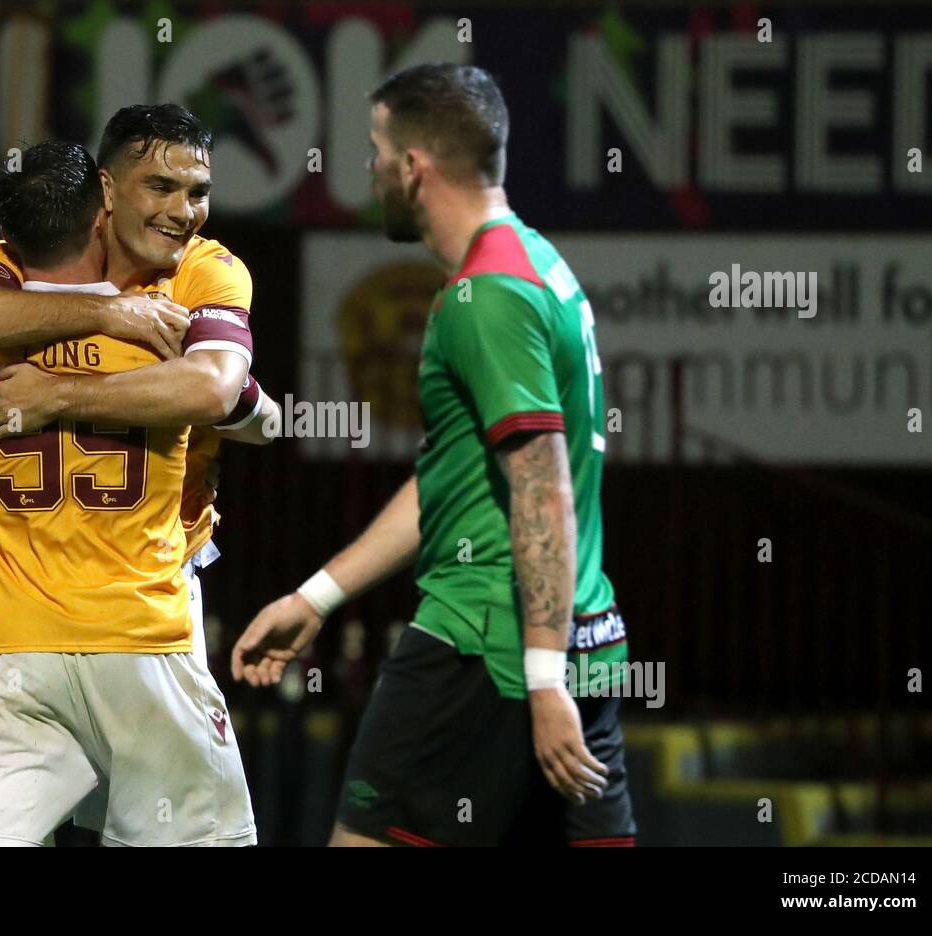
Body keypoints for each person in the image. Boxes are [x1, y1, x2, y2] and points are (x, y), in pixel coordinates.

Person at [232, 64, 635, 847]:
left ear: (413, 167)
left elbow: (540, 485)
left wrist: (542, 679)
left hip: (481, 646)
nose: (370, 170)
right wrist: (316, 598)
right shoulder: (541, 267)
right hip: (583, 642)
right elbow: (454, 482)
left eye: (377, 150)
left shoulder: (484, 298)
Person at [0, 135, 261, 846]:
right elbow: (219, 394)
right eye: (160, 189)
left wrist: (55, 392)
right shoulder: (162, 328)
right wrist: (253, 411)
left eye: (194, 191)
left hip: (13, 645)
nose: (181, 212)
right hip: (145, 630)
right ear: (102, 210)